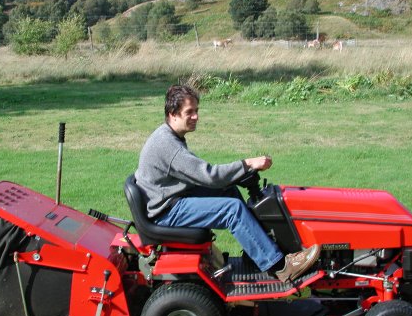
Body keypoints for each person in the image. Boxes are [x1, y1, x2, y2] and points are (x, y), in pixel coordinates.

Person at [135, 85, 320, 282]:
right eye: (189, 112)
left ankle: (258, 252)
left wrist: (237, 173)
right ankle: (281, 267)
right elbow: (209, 176)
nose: (196, 116)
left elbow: (208, 178)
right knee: (231, 210)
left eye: (196, 111)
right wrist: (246, 164)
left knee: (228, 191)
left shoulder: (169, 135)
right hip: (165, 213)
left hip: (167, 199)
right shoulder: (168, 145)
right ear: (172, 114)